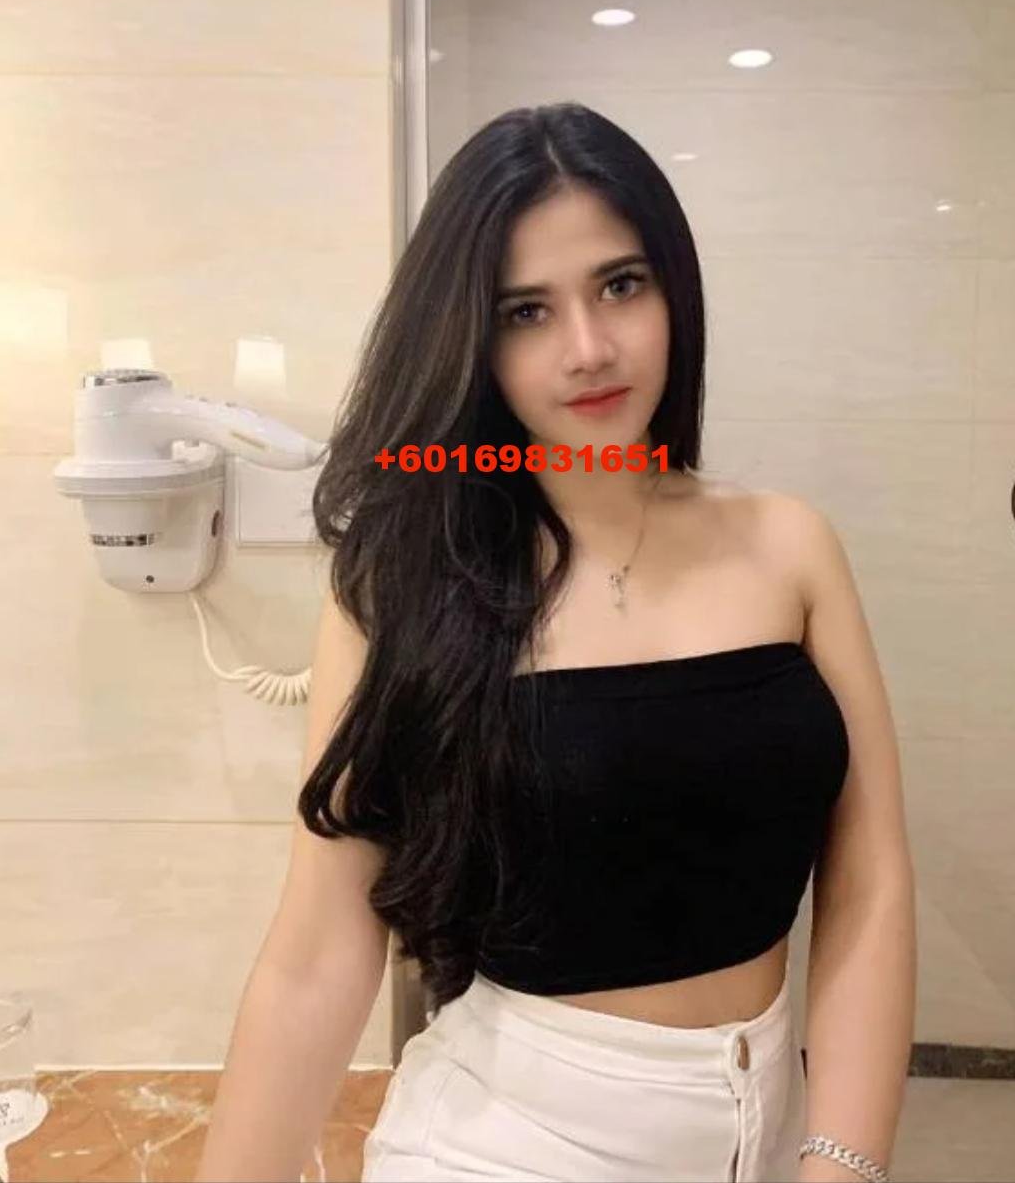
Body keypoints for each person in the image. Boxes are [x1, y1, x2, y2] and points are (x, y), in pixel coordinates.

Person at [195, 102, 916, 1183]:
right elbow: (318, 955)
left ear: (673, 288)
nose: (588, 349)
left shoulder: (789, 546)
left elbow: (871, 878)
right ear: (472, 339)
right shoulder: (405, 583)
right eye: (526, 310)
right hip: (513, 1139)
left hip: (763, 1124)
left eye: (621, 285)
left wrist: (841, 1159)